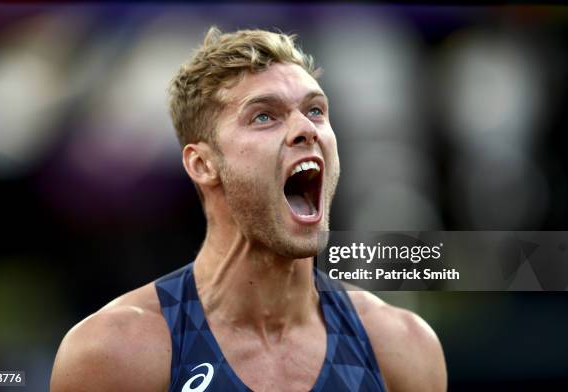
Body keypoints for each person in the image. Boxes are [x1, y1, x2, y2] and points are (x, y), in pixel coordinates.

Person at [50, 26, 447, 392]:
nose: (306, 129)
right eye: (264, 116)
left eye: (315, 110)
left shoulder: (400, 346)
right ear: (202, 165)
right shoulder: (115, 353)